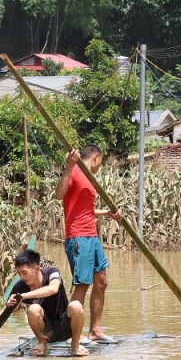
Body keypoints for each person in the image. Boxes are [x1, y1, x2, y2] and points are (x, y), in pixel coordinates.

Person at [56, 144, 121, 343]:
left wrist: (108, 214)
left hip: (91, 236)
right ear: (95, 157)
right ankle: (73, 334)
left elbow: (85, 210)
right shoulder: (75, 171)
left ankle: (95, 331)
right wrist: (68, 166)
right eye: (101, 161)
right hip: (78, 237)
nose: (100, 166)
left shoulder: (90, 179)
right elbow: (59, 195)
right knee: (82, 284)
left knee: (101, 281)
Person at [6, 248, 84, 357]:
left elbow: (53, 289)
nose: (22, 277)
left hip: (66, 326)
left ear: (36, 268)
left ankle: (75, 344)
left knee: (76, 305)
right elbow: (6, 311)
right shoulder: (20, 286)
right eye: (19, 273)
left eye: (24, 273)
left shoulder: (52, 272)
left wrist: (22, 296)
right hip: (46, 332)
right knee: (33, 309)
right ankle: (42, 344)